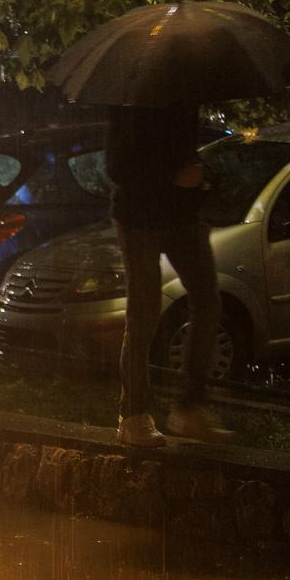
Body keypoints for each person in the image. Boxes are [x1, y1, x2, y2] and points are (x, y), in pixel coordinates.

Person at [104, 103, 233, 447]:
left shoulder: (181, 95)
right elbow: (117, 167)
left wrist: (200, 175)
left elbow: (183, 153)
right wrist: (171, 175)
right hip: (139, 219)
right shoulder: (132, 99)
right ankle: (132, 414)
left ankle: (189, 406)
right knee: (144, 312)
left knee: (207, 300)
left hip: (181, 217)